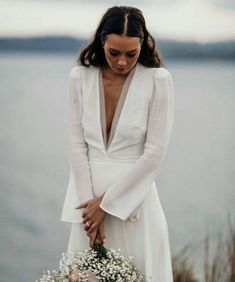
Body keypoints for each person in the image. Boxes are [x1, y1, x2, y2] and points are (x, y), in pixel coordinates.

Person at [61, 5, 175, 282]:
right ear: (102, 42)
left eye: (131, 54)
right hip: (86, 207)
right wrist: (91, 211)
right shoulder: (80, 77)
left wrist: (107, 205)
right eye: (114, 52)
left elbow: (154, 154)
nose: (122, 61)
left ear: (142, 46)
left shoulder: (158, 80)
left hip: (134, 204)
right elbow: (77, 146)